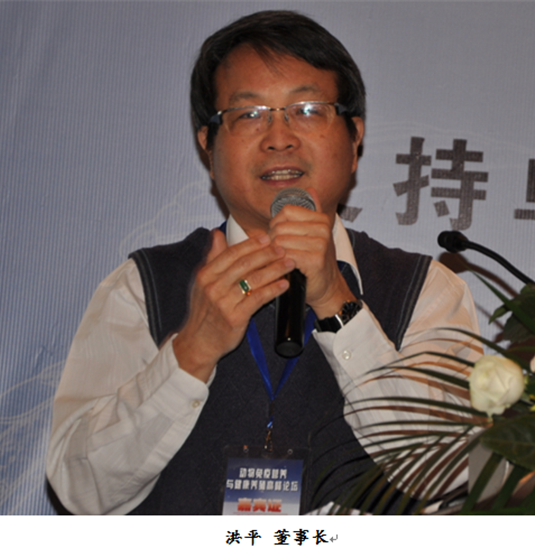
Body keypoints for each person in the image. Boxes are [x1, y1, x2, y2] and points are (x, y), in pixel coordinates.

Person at [46, 10, 481, 515]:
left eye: (308, 109)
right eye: (249, 114)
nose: (279, 137)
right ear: (208, 145)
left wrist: (337, 303)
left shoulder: (426, 289)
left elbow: (452, 472)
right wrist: (190, 352)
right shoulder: (142, 286)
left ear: (354, 137)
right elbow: (79, 490)